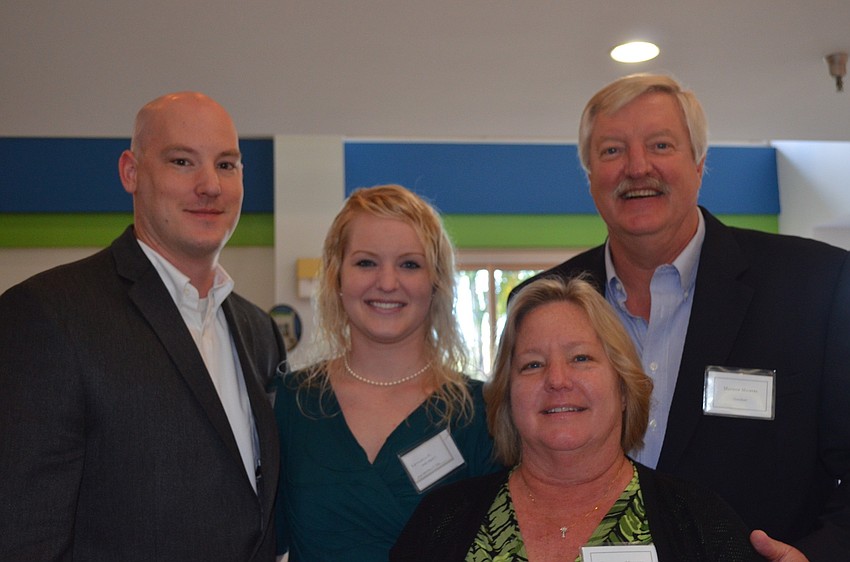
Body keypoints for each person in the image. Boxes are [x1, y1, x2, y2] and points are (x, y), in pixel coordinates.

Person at [511, 73, 850, 560]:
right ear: (589, 178)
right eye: (611, 151)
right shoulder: (540, 304)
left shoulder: (814, 284)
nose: (637, 167)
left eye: (660, 144)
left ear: (699, 162)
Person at [0, 92, 286, 561]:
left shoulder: (259, 332)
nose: (210, 185)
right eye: (181, 161)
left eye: (227, 165)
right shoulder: (48, 315)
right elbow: (23, 534)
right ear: (131, 172)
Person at [391, 276, 762, 561]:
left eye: (581, 358)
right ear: (508, 397)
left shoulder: (700, 523)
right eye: (532, 364)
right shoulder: (440, 523)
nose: (557, 380)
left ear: (622, 386)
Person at [273, 184, 502, 561]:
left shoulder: (480, 413)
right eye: (366, 262)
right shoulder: (291, 403)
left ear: (436, 282)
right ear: (336, 276)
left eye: (409, 264)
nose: (387, 282)